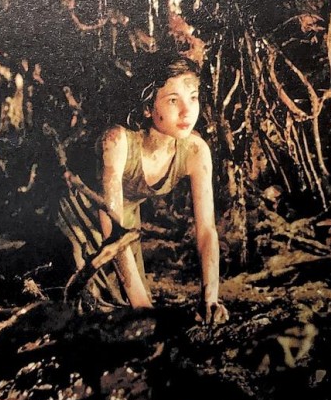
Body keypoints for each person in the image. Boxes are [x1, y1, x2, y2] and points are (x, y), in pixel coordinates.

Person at [56, 55, 229, 325]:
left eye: (193, 97)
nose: (187, 111)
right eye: (173, 100)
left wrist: (211, 299)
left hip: (125, 223)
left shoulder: (196, 151)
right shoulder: (118, 141)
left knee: (128, 308)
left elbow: (206, 230)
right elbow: (111, 226)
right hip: (79, 216)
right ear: (148, 108)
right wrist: (144, 308)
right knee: (90, 308)